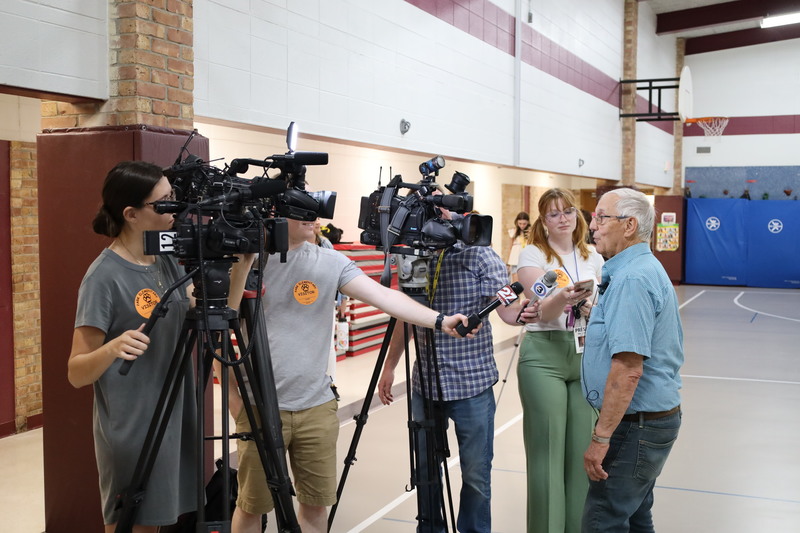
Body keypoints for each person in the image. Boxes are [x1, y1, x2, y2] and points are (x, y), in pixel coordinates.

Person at [228, 215, 480, 533]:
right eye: (301, 209)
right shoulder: (245, 262)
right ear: (276, 212)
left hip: (316, 406)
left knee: (316, 505)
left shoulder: (330, 261)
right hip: (259, 407)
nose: (314, 217)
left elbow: (386, 297)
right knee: (252, 507)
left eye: (314, 208)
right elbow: (217, 323)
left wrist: (440, 320)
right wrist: (232, 397)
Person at [67, 161, 254, 533]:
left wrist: (242, 266)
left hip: (176, 414)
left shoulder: (166, 260)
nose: (175, 207)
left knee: (160, 523)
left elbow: (213, 319)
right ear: (132, 215)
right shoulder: (102, 277)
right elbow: (76, 372)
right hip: (134, 424)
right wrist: (112, 347)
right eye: (164, 201)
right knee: (133, 523)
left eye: (173, 196)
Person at [377, 210, 540, 533]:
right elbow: (406, 315)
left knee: (476, 475)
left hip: (472, 386)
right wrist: (390, 366)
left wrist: (525, 314)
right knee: (425, 471)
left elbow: (507, 312)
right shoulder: (415, 257)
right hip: (425, 384)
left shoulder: (479, 255)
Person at [581, 187, 684, 532]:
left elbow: (627, 370)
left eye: (600, 217)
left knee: (602, 522)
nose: (592, 225)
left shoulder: (633, 279)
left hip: (637, 425)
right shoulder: (638, 269)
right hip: (649, 420)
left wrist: (600, 438)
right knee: (637, 519)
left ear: (629, 226)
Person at [515, 188, 604, 533]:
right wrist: (564, 298)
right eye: (554, 213)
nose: (563, 218)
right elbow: (540, 309)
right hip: (545, 356)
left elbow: (602, 309)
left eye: (568, 211)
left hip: (585, 355)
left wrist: (589, 306)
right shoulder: (533, 255)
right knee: (547, 456)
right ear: (544, 221)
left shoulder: (594, 257)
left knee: (582, 456)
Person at [507, 211, 530, 281]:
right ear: (517, 222)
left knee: (526, 281)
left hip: (526, 259)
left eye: (524, 224)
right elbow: (510, 246)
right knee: (515, 282)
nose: (522, 226)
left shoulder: (530, 232)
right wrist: (507, 262)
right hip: (515, 259)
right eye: (520, 223)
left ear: (528, 222)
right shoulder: (513, 232)